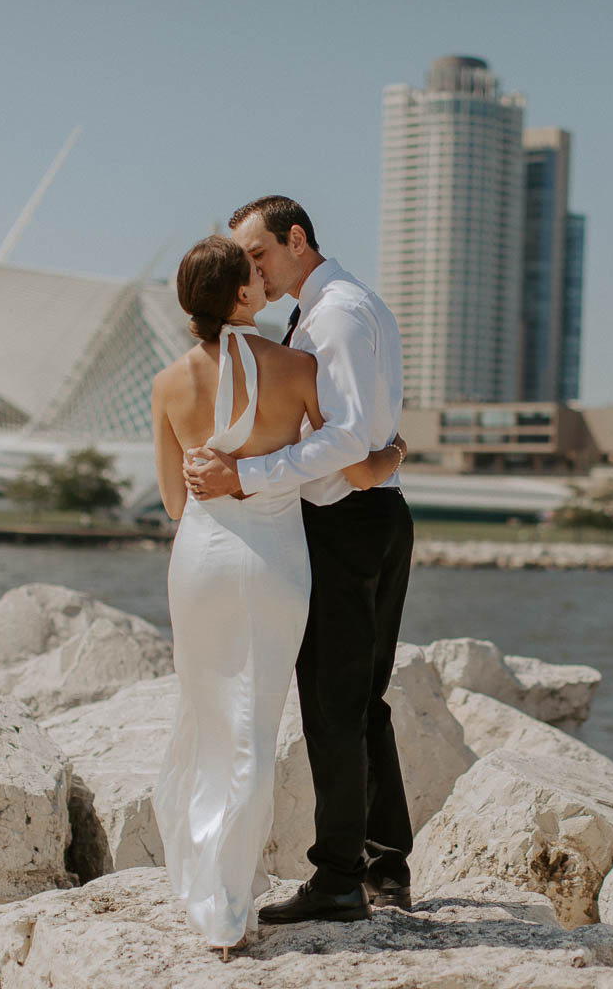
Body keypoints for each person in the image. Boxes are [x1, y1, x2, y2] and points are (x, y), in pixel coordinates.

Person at [150, 235, 403, 960]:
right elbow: (351, 469)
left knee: (205, 715)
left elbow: (173, 500)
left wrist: (213, 471)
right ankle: (232, 904)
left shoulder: (170, 382)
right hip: (274, 562)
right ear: (241, 297)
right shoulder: (297, 367)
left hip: (200, 557)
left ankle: (211, 890)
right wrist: (392, 457)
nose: (262, 278)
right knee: (253, 724)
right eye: (251, 274)